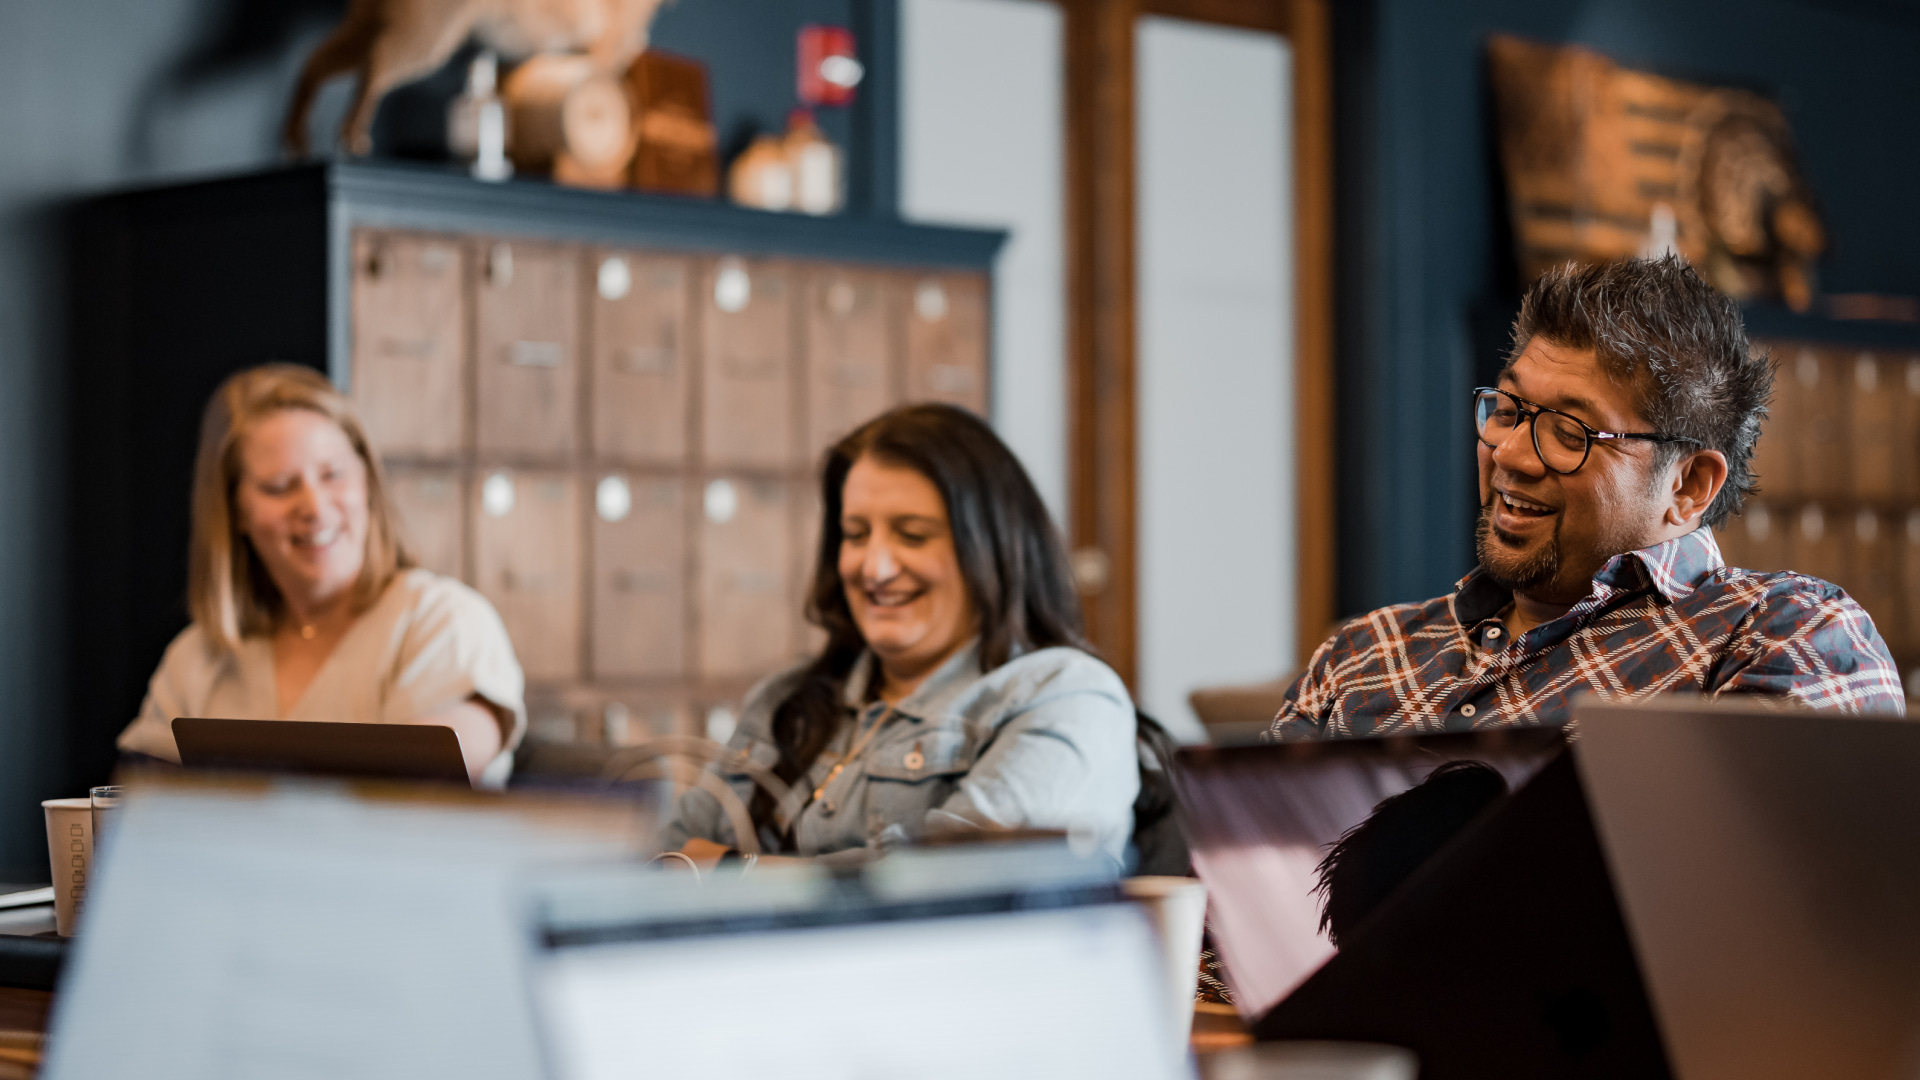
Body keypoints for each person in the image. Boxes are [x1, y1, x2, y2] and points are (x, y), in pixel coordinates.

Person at [1272, 255, 1905, 741]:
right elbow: (1240, 896)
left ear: (1687, 486)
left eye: (1568, 431)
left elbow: (1768, 899)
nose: (1513, 455)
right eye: (1510, 410)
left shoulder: (1783, 636)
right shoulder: (1361, 653)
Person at [666, 404, 1141, 865]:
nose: (875, 568)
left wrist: (729, 869)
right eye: (855, 535)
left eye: (912, 535)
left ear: (994, 547)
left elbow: (948, 892)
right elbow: (662, 857)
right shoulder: (784, 698)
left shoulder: (1067, 697)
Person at [117, 364, 526, 785]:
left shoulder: (441, 619)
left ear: (367, 480)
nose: (313, 506)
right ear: (235, 510)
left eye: (333, 475)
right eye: (278, 486)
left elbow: (451, 758)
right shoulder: (198, 657)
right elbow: (135, 800)